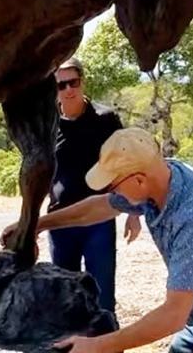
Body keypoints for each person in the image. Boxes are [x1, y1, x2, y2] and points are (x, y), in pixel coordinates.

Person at [3, 127, 193, 353]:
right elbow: (99, 206)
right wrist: (35, 225)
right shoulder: (160, 178)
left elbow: (173, 315)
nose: (113, 192)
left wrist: (99, 345)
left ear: (138, 180)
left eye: (114, 184)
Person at [48, 57, 141, 315]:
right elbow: (37, 171)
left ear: (82, 82)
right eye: (61, 85)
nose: (68, 90)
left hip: (99, 219)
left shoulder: (105, 119)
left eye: (73, 83)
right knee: (65, 301)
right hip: (60, 222)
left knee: (102, 299)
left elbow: (126, 163)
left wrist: (133, 213)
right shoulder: (48, 124)